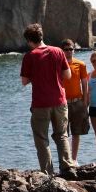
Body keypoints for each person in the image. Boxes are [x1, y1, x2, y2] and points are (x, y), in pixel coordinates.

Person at [20, 23, 77, 179]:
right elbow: (67, 76)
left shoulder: (30, 56)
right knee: (62, 135)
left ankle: (47, 173)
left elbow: (24, 81)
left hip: (40, 103)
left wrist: (36, 76)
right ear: (42, 36)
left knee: (41, 138)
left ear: (29, 40)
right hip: (59, 100)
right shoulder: (58, 51)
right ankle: (68, 167)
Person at [61, 40, 90, 163]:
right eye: (66, 49)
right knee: (63, 133)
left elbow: (84, 83)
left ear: (74, 49)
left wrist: (85, 101)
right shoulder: (58, 65)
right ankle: (66, 159)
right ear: (62, 50)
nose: (69, 51)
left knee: (77, 132)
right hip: (62, 103)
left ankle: (74, 159)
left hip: (78, 102)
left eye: (71, 49)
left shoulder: (81, 64)